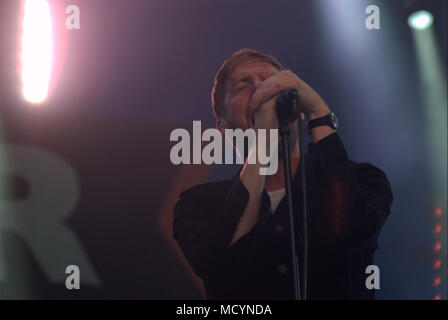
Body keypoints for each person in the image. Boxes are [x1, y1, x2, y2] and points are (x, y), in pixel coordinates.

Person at [172, 49, 393, 299]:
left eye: (273, 84)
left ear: (296, 107)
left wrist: (319, 113)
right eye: (244, 86)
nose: (262, 91)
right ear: (223, 127)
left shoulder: (363, 179)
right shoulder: (197, 205)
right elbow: (224, 272)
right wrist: (263, 141)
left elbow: (351, 229)